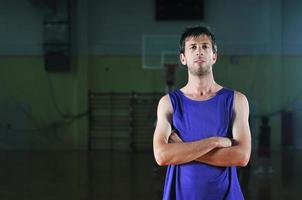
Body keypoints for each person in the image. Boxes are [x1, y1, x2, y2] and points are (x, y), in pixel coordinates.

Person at [153, 26, 251, 200]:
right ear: (183, 58)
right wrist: (215, 141)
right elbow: (161, 156)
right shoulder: (168, 103)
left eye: (205, 46)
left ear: (214, 56)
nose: (199, 51)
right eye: (192, 47)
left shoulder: (237, 100)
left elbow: (242, 156)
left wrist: (182, 149)